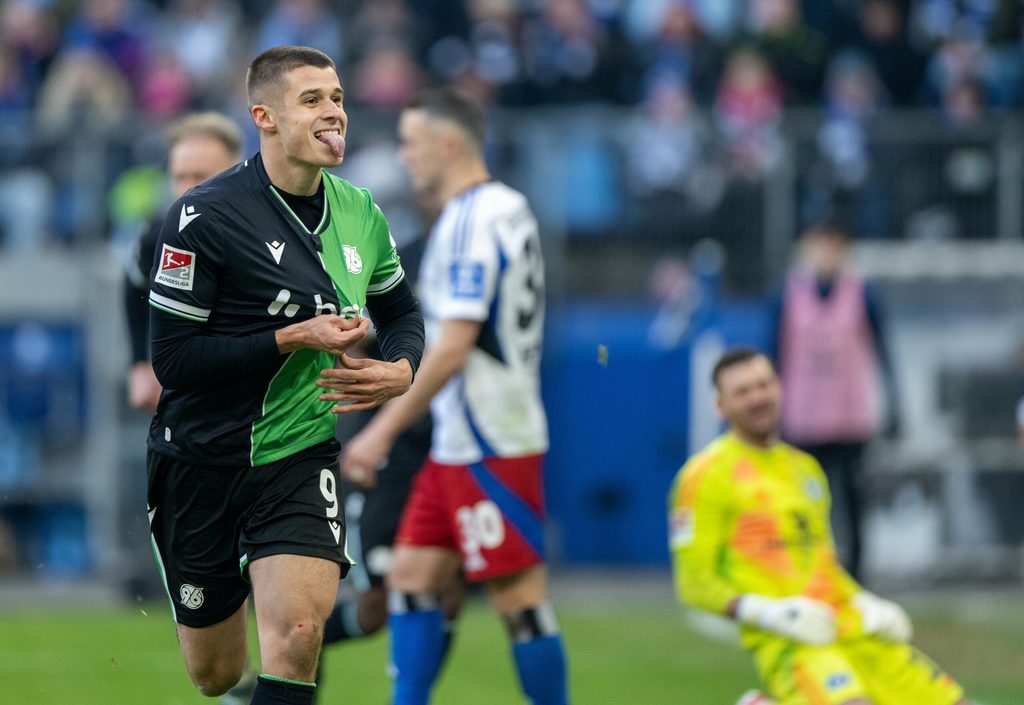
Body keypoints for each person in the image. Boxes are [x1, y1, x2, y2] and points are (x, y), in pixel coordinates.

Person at [146, 45, 424, 705]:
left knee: (299, 635)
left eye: (337, 98)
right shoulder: (202, 218)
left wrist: (401, 370)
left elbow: (402, 311)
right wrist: (291, 337)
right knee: (215, 673)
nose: (334, 113)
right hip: (199, 460)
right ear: (263, 116)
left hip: (298, 454)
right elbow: (174, 362)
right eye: (313, 100)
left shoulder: (362, 211)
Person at [321, 87, 569, 705]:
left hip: (491, 437)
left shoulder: (470, 220)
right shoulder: (509, 207)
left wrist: (379, 431)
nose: (404, 157)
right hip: (460, 440)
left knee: (520, 601)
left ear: (449, 144)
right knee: (411, 576)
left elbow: (451, 348)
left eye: (411, 143)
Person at [669, 348, 969, 705]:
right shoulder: (703, 476)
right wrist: (768, 613)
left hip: (850, 626)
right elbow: (694, 583)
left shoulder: (805, 469)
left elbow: (821, 560)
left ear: (780, 388)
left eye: (763, 384)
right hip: (792, 642)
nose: (757, 397)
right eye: (742, 391)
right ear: (720, 406)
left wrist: (865, 601)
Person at [769, 223, 899, 580]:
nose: (825, 253)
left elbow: (884, 349)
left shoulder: (862, 291)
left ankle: (857, 572)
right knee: (805, 498)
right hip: (803, 414)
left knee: (854, 496)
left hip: (850, 414)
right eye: (818, 244)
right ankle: (809, 568)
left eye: (833, 245)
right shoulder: (787, 293)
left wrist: (894, 401)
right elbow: (773, 352)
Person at [123, 111, 243, 412]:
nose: (187, 189)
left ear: (237, 172)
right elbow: (133, 287)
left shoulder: (269, 236)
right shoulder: (157, 239)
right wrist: (139, 364)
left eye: (201, 177)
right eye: (179, 177)